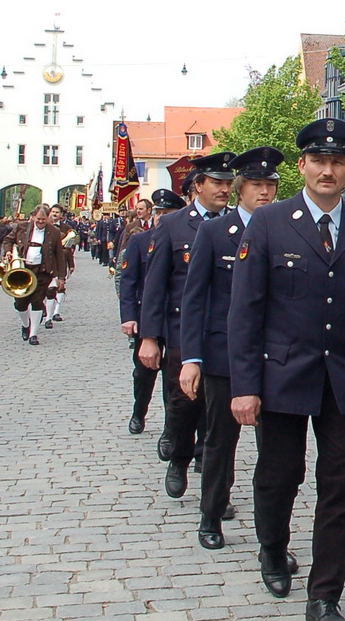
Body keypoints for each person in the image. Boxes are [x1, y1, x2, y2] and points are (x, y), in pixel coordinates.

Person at [229, 119, 345, 621]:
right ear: (303, 165)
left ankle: (325, 592)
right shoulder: (268, 223)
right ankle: (272, 546)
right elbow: (246, 310)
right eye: (318, 161)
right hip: (282, 374)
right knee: (280, 474)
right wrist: (245, 385)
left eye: (338, 162)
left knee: (341, 487)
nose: (327, 170)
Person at [180, 145, 283, 551]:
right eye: (257, 185)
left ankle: (270, 535)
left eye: (270, 185)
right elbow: (195, 298)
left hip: (272, 354)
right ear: (240, 189)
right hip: (223, 355)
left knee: (273, 453)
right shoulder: (215, 232)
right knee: (220, 441)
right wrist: (191, 358)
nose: (264, 193)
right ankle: (211, 514)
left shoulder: (282, 228)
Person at [139, 152, 235, 499]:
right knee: (183, 404)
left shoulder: (239, 225)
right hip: (183, 330)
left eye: (228, 183)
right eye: (218, 183)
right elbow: (156, 284)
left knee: (220, 415)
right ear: (198, 186)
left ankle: (215, 485)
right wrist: (150, 337)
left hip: (224, 332)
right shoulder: (173, 225)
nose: (225, 189)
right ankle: (178, 457)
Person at [119, 191, 180, 434]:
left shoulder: (186, 240)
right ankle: (139, 411)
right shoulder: (140, 241)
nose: (161, 218)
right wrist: (129, 316)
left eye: (167, 214)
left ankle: (171, 425)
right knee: (143, 373)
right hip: (148, 316)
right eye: (159, 213)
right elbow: (128, 281)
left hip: (175, 317)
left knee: (172, 376)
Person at [2, 205, 65, 347]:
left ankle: (34, 334)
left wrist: (61, 277)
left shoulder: (54, 232)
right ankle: (26, 325)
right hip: (23, 270)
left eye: (44, 219)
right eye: (39, 219)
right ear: (33, 217)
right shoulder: (22, 227)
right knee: (20, 304)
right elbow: (7, 240)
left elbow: (59, 255)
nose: (41, 222)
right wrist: (7, 252)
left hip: (43, 272)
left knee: (37, 301)